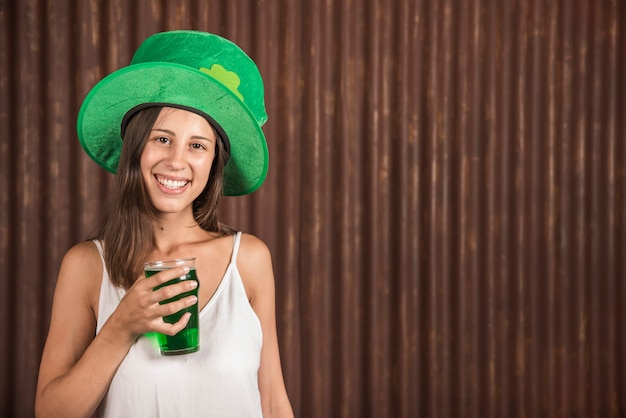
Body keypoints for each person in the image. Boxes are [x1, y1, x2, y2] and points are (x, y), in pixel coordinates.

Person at [35, 30, 294, 417]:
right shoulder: (87, 267)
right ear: (135, 148)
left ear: (213, 165)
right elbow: (50, 412)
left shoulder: (249, 261)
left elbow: (272, 400)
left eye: (197, 145)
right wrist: (122, 326)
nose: (177, 161)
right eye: (162, 138)